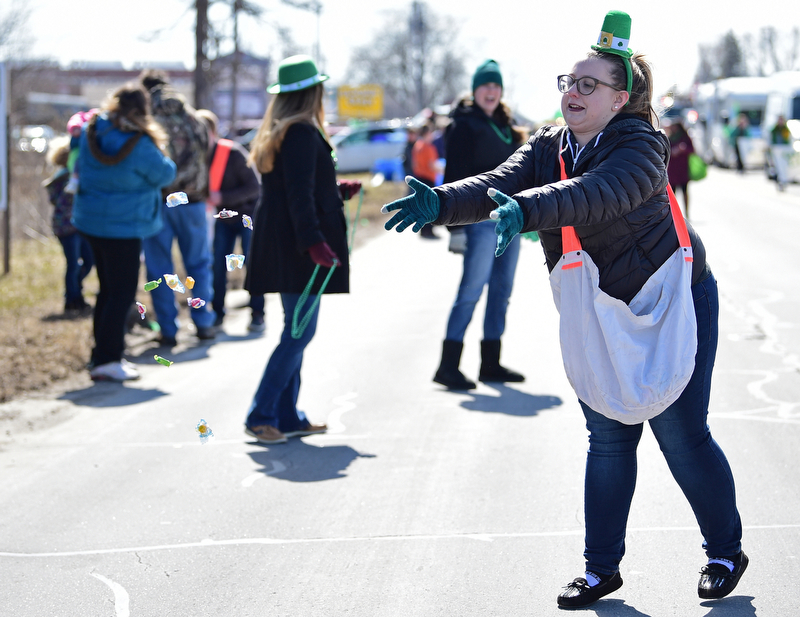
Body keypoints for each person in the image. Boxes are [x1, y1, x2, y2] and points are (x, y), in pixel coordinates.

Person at [381, 10, 746, 609]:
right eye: (567, 82)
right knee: (606, 437)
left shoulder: (642, 147)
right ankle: (600, 570)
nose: (572, 94)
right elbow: (500, 181)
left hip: (669, 298)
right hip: (596, 303)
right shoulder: (551, 143)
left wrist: (526, 212)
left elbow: (593, 195)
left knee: (679, 434)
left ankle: (724, 552)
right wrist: (441, 203)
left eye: (587, 85)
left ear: (619, 97)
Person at [243, 55, 350, 444]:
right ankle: (261, 414)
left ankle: (286, 415)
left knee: (297, 329)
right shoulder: (301, 132)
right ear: (313, 93)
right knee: (298, 333)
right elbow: (298, 196)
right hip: (297, 248)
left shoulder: (285, 130)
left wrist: (337, 193)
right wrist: (314, 242)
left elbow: (302, 189)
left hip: (287, 244)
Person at [72, 83, 176, 381]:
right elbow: (166, 173)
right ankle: (109, 358)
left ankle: (101, 355)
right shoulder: (139, 141)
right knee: (121, 294)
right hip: (125, 226)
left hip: (91, 222)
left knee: (107, 291)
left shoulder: (93, 130)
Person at [433, 59, 527, 390]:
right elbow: (452, 176)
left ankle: (490, 363)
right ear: (475, 90)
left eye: (496, 85)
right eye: (485, 85)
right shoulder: (463, 125)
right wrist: (455, 227)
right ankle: (448, 365)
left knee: (502, 290)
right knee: (471, 290)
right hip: (478, 221)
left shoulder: (507, 123)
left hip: (508, 221)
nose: (491, 91)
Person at [139, 69, 216, 347]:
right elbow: (207, 152)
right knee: (198, 264)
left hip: (159, 202)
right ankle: (203, 322)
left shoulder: (148, 122)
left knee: (160, 268)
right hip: (192, 201)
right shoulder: (196, 119)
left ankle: (168, 330)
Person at [194, 109, 265, 332]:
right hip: (222, 219)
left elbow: (254, 187)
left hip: (246, 216)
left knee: (252, 265)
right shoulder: (197, 156)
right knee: (217, 267)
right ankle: (217, 314)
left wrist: (223, 197)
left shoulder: (232, 153)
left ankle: (257, 313)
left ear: (213, 132)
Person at [42, 135, 95, 313]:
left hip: (79, 226)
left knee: (88, 260)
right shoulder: (64, 178)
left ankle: (76, 291)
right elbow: (62, 200)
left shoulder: (73, 175)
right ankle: (72, 299)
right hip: (66, 227)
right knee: (73, 264)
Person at [411, 123, 440, 239]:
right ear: (427, 133)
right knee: (430, 206)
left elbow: (414, 163)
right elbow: (432, 165)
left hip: (419, 177)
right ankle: (429, 230)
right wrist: (443, 170)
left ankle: (423, 230)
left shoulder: (417, 145)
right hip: (428, 178)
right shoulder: (428, 147)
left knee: (422, 205)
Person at [664, 118, 695, 218]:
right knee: (672, 194)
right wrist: (672, 151)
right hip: (672, 170)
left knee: (685, 191)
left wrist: (683, 149)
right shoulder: (669, 138)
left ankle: (686, 212)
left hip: (683, 170)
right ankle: (674, 214)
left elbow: (692, 150)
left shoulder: (685, 138)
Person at [769, 114, 792, 191]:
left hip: (783, 151)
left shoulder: (786, 129)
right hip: (775, 151)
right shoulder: (774, 129)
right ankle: (778, 181)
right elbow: (770, 139)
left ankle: (784, 182)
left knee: (783, 167)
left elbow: (788, 140)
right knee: (776, 167)